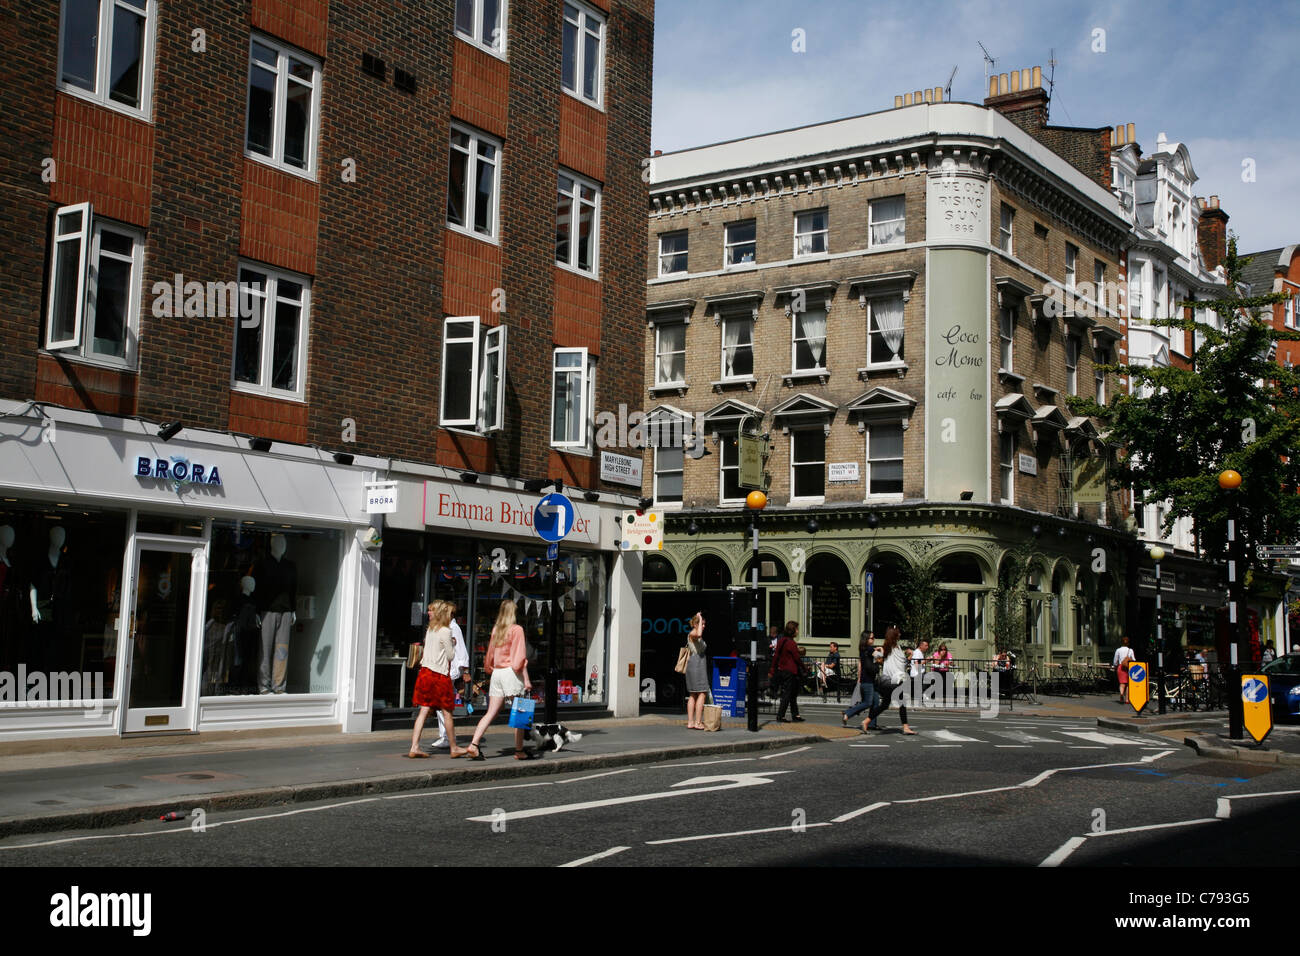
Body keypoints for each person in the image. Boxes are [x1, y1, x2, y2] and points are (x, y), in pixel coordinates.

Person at [465, 599, 533, 761]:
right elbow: (519, 657)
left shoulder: (496, 630)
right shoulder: (517, 630)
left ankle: (473, 744)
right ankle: (519, 750)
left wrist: (489, 667)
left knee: (491, 712)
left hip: (497, 673)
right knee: (521, 712)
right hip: (511, 672)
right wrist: (525, 678)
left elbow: (490, 653)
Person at [408, 601, 467, 758]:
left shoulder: (430, 630)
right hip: (439, 675)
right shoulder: (445, 631)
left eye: (431, 610)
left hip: (425, 673)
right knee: (447, 712)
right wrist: (453, 644)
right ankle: (454, 747)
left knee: (424, 710)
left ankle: (414, 746)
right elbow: (450, 656)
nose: (428, 613)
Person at [429, 601, 470, 752]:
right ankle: (446, 736)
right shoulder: (446, 627)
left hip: (450, 669)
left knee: (442, 703)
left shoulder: (454, 628)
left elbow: (461, 650)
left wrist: (465, 670)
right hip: (446, 669)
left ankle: (446, 737)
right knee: (443, 703)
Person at [868, 626, 915, 734]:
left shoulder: (893, 647)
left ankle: (866, 721)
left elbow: (900, 663)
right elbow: (880, 657)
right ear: (894, 635)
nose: (900, 634)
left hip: (890, 681)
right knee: (902, 703)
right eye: (898, 633)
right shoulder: (891, 646)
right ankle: (906, 727)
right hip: (893, 681)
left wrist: (910, 656)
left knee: (884, 705)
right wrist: (876, 651)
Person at [769, 620, 805, 723]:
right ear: (793, 630)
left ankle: (796, 715)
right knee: (788, 694)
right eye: (797, 629)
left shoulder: (781, 641)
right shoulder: (791, 643)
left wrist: (772, 668)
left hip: (782, 669)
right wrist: (804, 668)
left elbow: (776, 656)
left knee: (792, 693)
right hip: (790, 671)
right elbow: (797, 658)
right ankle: (781, 716)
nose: (798, 631)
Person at [842, 631, 880, 726]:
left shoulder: (863, 649)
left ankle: (872, 723)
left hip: (865, 679)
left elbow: (861, 665)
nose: (873, 639)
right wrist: (882, 650)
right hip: (868, 680)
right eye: (872, 638)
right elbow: (880, 657)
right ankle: (848, 713)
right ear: (866, 639)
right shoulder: (870, 649)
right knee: (867, 702)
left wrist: (859, 677)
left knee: (876, 701)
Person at [684, 612, 710, 730]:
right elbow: (699, 633)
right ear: (695, 624)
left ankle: (691, 722)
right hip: (697, 664)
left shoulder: (693, 633)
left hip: (694, 664)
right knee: (702, 692)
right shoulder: (694, 633)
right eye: (702, 624)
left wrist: (699, 620)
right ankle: (698, 722)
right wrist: (699, 618)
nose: (704, 626)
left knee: (693, 694)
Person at [1113, 635, 1135, 704]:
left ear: (1121, 643)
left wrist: (1115, 665)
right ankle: (1127, 699)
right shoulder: (1130, 650)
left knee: (1122, 683)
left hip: (1121, 667)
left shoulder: (1118, 650)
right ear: (1128, 643)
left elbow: (1115, 661)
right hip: (1129, 667)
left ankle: (1121, 694)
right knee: (1128, 684)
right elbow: (1134, 659)